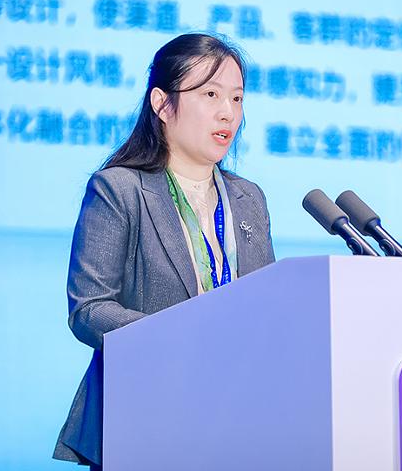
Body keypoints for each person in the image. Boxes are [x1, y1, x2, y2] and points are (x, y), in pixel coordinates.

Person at [52, 33, 276, 469]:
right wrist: (182, 337)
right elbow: (89, 309)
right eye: (210, 94)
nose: (228, 112)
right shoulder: (119, 189)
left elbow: (267, 306)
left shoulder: (248, 198)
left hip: (236, 419)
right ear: (162, 104)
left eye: (237, 98)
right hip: (144, 417)